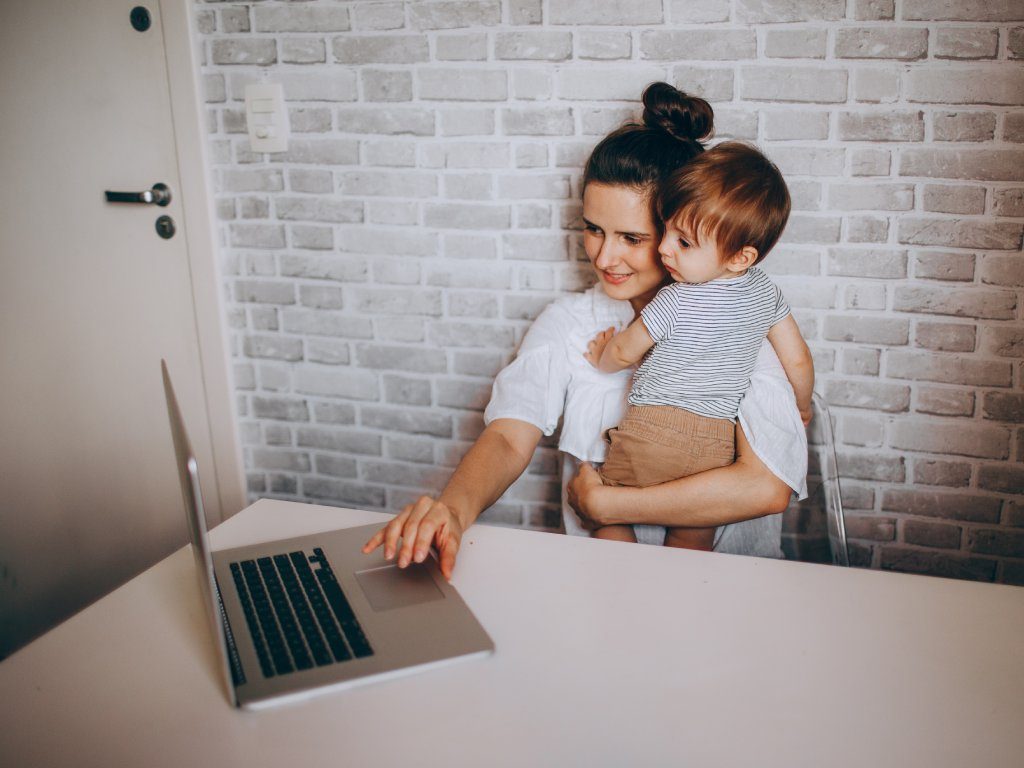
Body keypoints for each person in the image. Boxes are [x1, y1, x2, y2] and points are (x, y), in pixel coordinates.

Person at [362, 82, 808, 580]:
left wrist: (609, 507)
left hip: (732, 595)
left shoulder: (736, 330)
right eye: (593, 228)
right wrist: (454, 508)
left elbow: (765, 487)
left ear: (683, 231)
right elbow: (510, 436)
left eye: (632, 238)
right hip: (601, 594)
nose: (603, 256)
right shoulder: (571, 322)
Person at [584, 142, 814, 551]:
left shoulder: (673, 299)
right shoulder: (766, 294)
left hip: (650, 433)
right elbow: (796, 358)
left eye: (684, 242)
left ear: (741, 257)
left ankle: (617, 576)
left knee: (603, 508)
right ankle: (681, 600)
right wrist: (802, 404)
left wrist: (600, 356)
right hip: (714, 445)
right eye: (667, 230)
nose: (664, 248)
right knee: (693, 532)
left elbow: (624, 352)